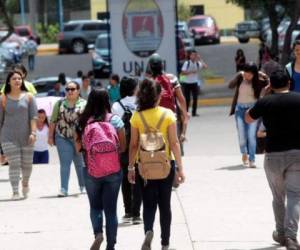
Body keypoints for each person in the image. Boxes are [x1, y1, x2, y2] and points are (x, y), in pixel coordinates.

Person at [245, 70, 300, 250]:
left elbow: (248, 118)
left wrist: (262, 96)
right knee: (294, 196)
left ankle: (281, 233)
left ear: (271, 85)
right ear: (289, 83)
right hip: (296, 154)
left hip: (273, 155)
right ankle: (291, 237)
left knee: (278, 197)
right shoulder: (298, 98)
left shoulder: (265, 101)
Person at [128, 78, 185, 250]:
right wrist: (180, 168)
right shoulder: (168, 114)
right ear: (158, 95)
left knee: (148, 203)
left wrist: (131, 167)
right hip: (165, 165)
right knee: (165, 205)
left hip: (144, 166)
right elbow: (174, 143)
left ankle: (148, 230)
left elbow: (133, 144)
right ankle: (165, 243)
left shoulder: (137, 116)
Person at [77, 87, 126, 250]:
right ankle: (111, 245)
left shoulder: (84, 121)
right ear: (107, 101)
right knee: (111, 210)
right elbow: (123, 147)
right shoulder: (115, 120)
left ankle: (98, 233)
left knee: (95, 206)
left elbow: (80, 147)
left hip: (91, 170)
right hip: (113, 170)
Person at [0, 70, 38, 199]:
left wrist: (33, 132)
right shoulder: (3, 98)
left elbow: (33, 117)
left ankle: (25, 183)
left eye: (19, 79)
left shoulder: (29, 97)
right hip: (8, 136)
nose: (17, 81)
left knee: (27, 165)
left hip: (27, 136)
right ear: (9, 82)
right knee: (14, 164)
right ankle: (15, 191)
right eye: (14, 79)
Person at [111, 76, 142, 224]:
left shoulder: (116, 106)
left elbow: (114, 128)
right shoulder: (141, 103)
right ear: (134, 88)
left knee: (125, 179)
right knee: (138, 178)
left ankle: (128, 211)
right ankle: (137, 214)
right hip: (140, 146)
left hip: (123, 146)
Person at [48, 81, 86, 197]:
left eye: (73, 89)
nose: (70, 91)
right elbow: (53, 121)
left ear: (78, 91)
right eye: (68, 89)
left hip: (79, 139)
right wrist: (50, 136)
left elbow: (88, 122)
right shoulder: (59, 104)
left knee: (80, 163)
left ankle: (82, 186)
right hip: (62, 137)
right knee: (65, 163)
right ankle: (64, 188)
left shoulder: (85, 104)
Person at [228, 62, 269, 168]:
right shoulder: (240, 78)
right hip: (240, 110)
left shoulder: (258, 82)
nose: (247, 75)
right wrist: (238, 75)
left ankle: (252, 159)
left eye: (250, 74)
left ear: (254, 74)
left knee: (251, 136)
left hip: (252, 110)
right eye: (246, 72)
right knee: (242, 136)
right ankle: (244, 153)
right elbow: (230, 86)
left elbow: (269, 83)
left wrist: (263, 75)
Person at [147, 53, 189, 133]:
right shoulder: (172, 78)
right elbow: (181, 98)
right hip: (171, 117)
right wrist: (185, 114)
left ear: (150, 67)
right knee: (175, 143)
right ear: (162, 65)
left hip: (155, 119)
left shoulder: (149, 82)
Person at [180, 49, 207, 117]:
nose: (194, 56)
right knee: (187, 99)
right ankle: (186, 112)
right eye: (192, 55)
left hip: (194, 82)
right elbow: (183, 72)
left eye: (195, 55)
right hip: (187, 83)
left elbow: (205, 67)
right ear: (190, 56)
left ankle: (194, 112)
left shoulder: (197, 63)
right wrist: (191, 72)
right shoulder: (187, 63)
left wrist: (200, 59)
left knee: (195, 98)